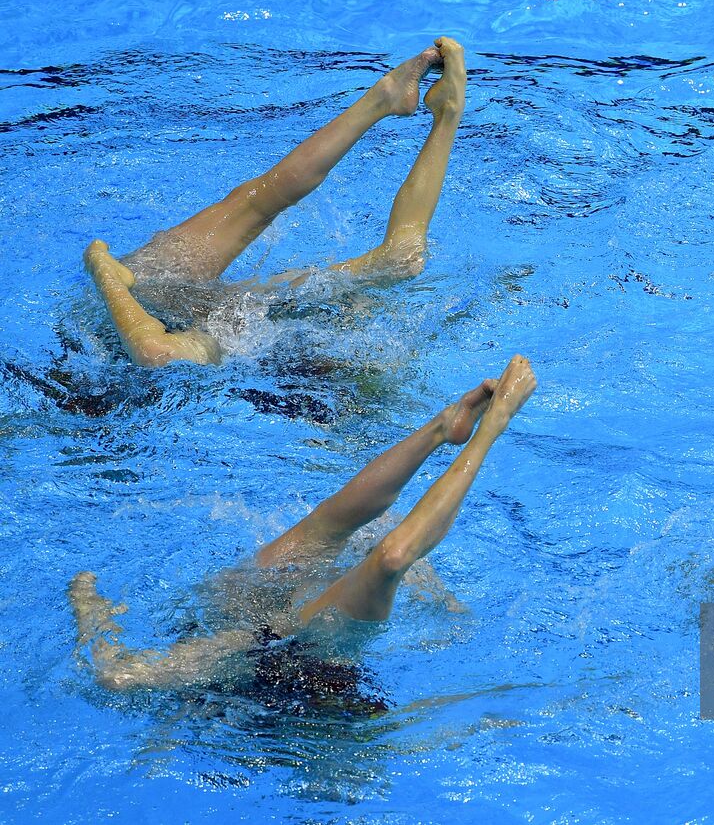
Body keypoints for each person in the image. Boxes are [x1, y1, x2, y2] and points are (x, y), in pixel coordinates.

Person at [66, 355, 536, 693]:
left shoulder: (238, 674)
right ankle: (446, 427)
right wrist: (91, 611)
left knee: (343, 536)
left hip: (268, 648)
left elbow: (116, 676)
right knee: (345, 538)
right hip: (271, 647)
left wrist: (91, 611)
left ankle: (445, 428)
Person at [81, 37, 470, 368]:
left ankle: (384, 97)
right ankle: (447, 115)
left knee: (258, 200)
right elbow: (155, 352)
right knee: (397, 258)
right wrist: (104, 272)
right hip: (193, 318)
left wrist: (113, 280)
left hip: (150, 289)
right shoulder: (212, 341)